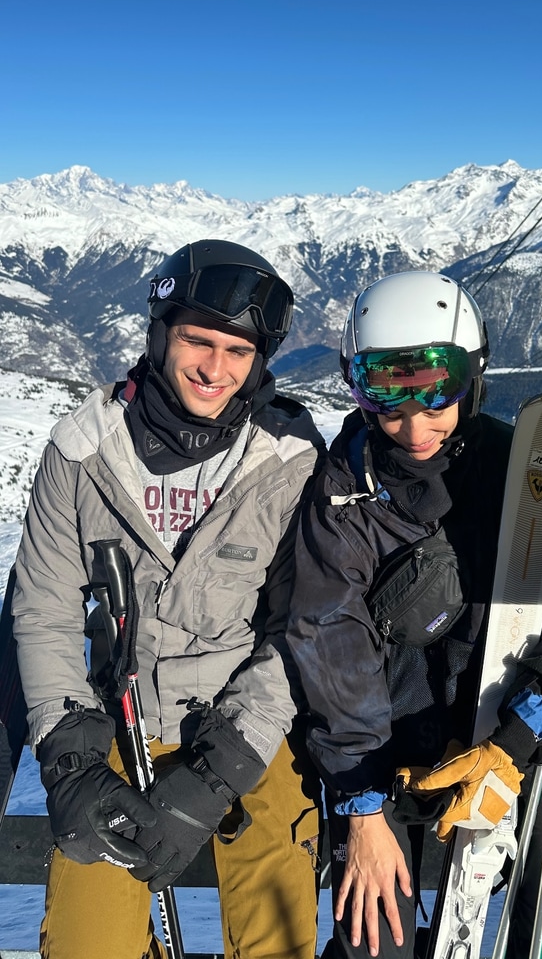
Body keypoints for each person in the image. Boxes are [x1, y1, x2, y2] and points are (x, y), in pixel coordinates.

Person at [285, 270, 542, 959]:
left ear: (472, 372)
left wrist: (514, 744)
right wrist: (361, 810)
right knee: (377, 938)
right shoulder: (343, 497)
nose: (413, 424)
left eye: (436, 391)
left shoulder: (529, 478)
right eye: (386, 397)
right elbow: (329, 649)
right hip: (382, 765)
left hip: (510, 752)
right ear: (357, 387)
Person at [12, 239, 325, 959]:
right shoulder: (84, 453)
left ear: (260, 362)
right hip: (115, 719)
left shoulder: (286, 459)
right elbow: (45, 609)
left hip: (249, 725)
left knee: (277, 937)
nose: (215, 369)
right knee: (88, 943)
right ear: (161, 332)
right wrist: (69, 761)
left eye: (237, 352)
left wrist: (223, 768)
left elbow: (301, 620)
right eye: (197, 340)